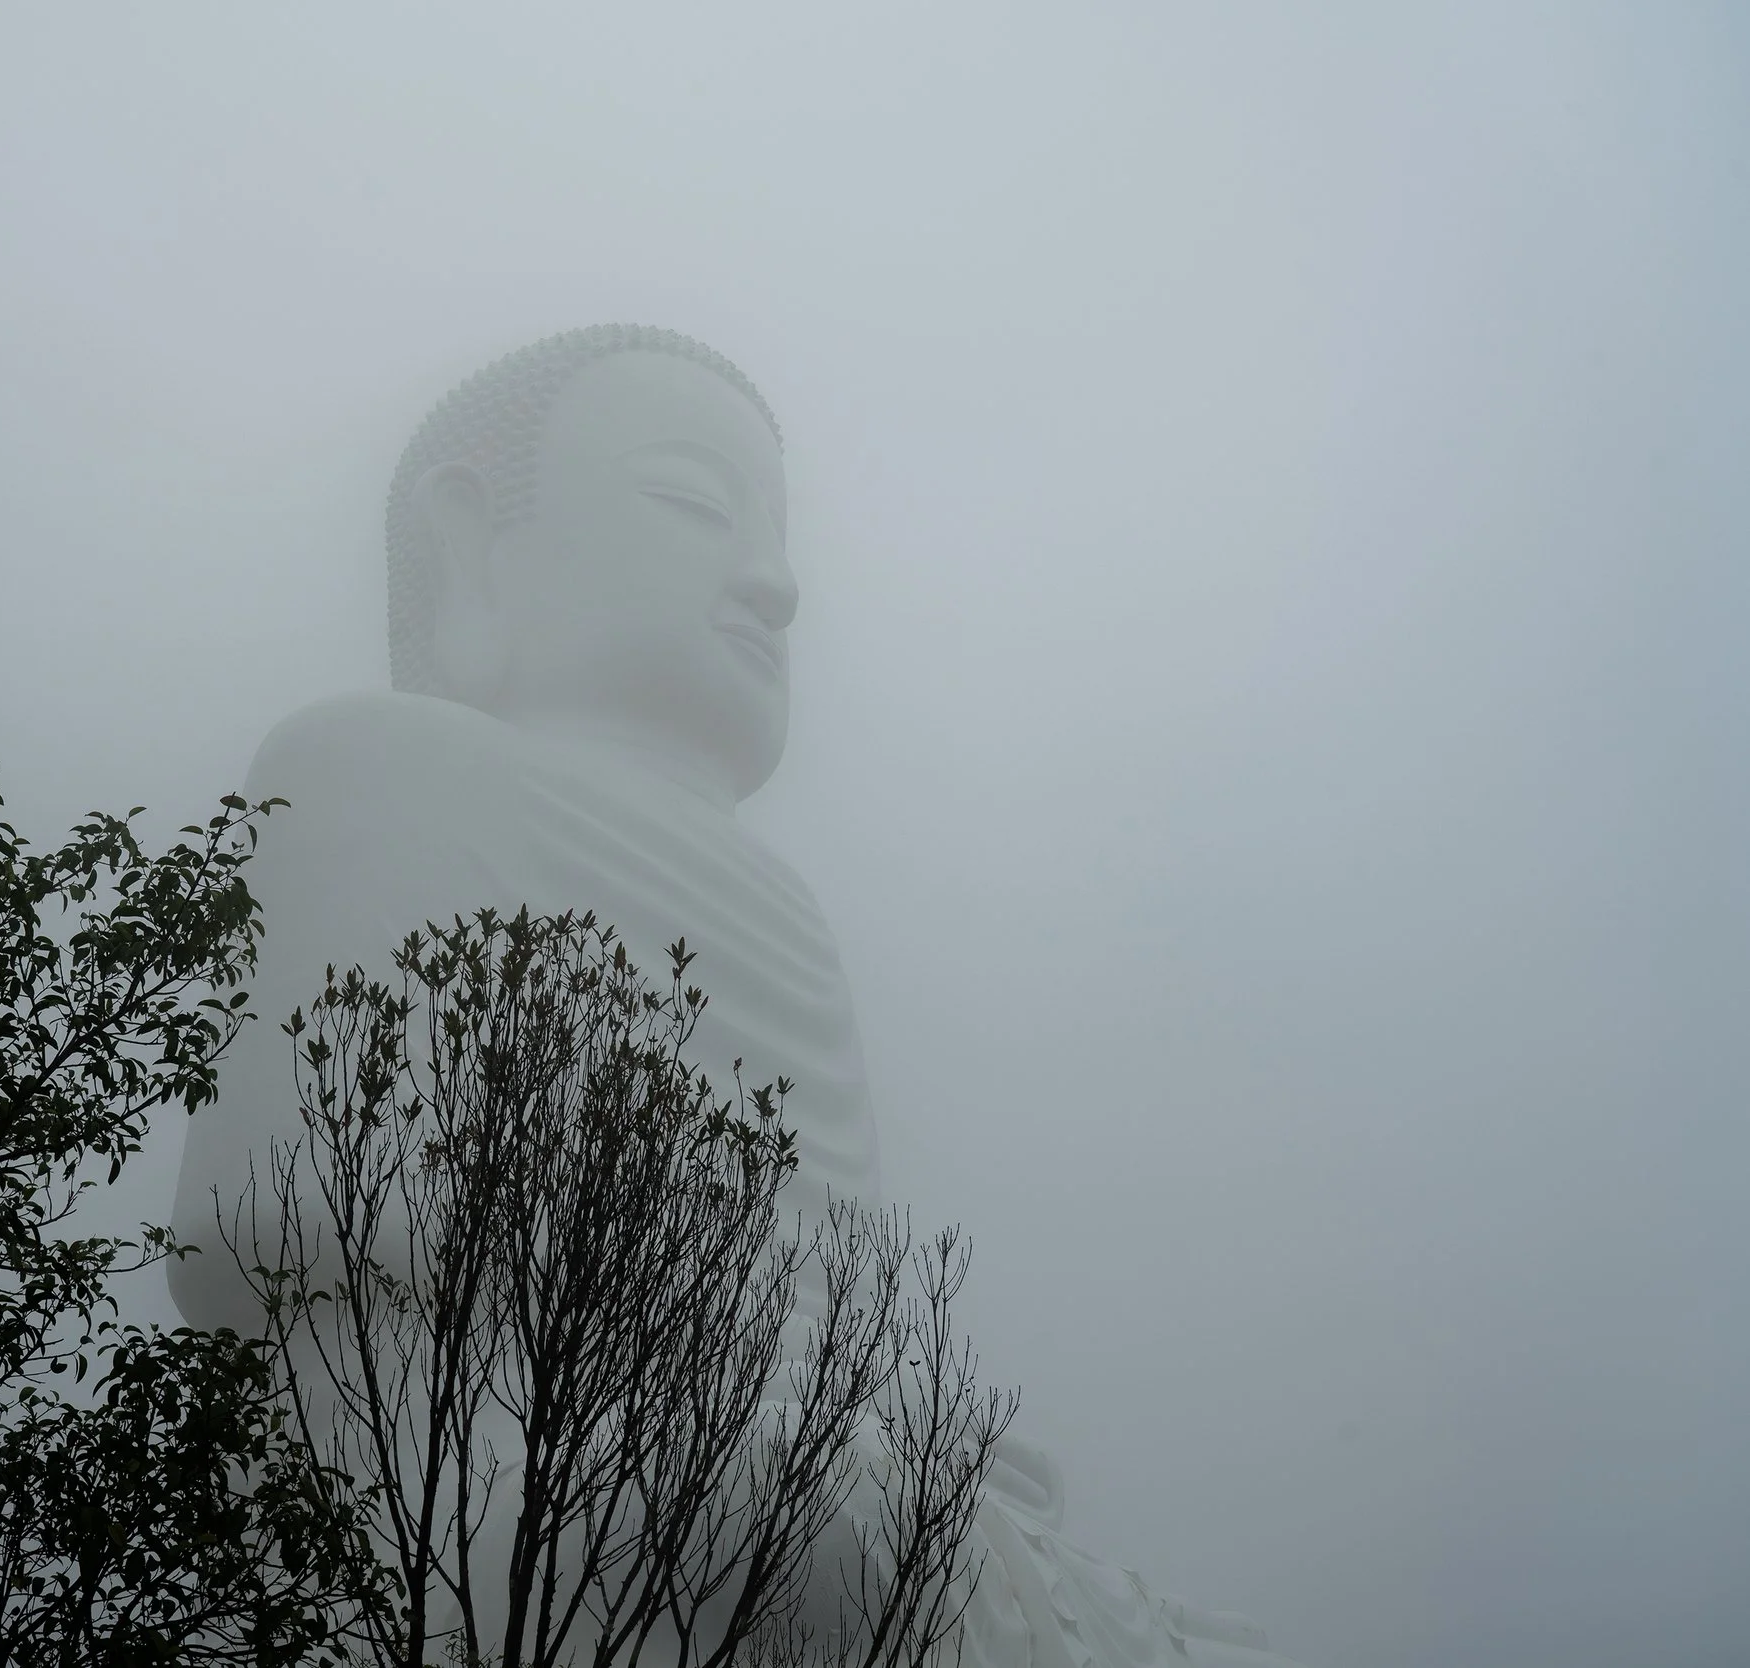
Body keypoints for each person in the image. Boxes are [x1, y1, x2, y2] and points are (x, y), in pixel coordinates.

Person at [169, 324, 1302, 1668]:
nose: (773, 586)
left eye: (777, 536)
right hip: (498, 1439)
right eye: (696, 508)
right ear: (476, 544)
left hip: (789, 1471)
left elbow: (844, 1297)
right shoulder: (381, 763)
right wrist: (703, 1372)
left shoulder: (790, 916)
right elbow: (280, 1202)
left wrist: (905, 1441)